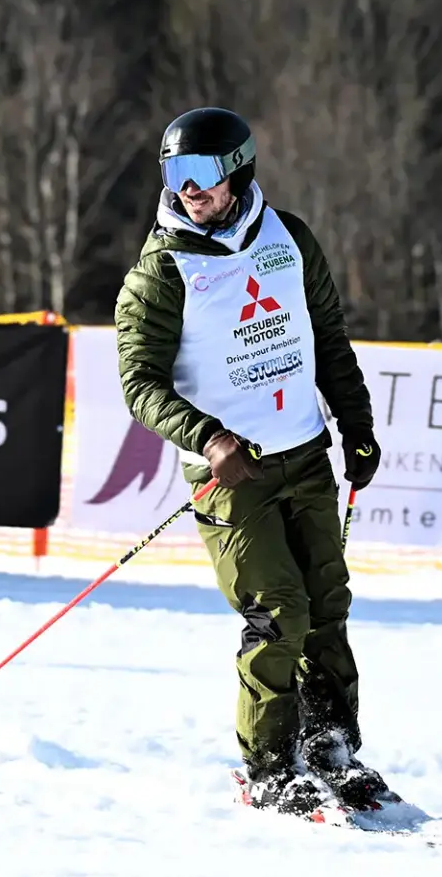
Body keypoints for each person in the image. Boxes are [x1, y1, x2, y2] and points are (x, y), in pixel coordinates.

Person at [113, 107, 388, 817]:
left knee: (327, 607)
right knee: (278, 612)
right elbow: (139, 382)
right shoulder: (161, 271)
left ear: (237, 170)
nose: (187, 189)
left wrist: (355, 427)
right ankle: (269, 767)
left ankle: (332, 750)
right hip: (232, 476)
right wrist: (207, 438)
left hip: (305, 455)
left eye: (200, 174)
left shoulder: (289, 239)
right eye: (174, 175)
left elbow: (327, 335)